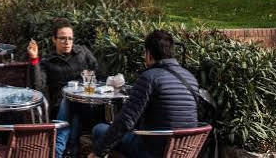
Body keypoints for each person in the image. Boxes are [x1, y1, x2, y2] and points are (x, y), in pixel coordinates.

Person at [90, 30, 199, 158]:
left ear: (149, 54)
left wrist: (98, 152)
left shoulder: (149, 77)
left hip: (152, 152)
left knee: (99, 130)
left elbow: (125, 121)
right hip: (183, 152)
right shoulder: (190, 78)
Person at [28, 18, 101, 158]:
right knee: (69, 103)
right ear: (54, 40)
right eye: (62, 38)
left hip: (88, 103)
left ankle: (58, 152)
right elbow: (38, 86)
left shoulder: (83, 52)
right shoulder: (48, 62)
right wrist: (34, 59)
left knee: (73, 106)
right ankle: (67, 151)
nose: (67, 42)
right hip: (61, 105)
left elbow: (98, 72)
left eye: (70, 38)